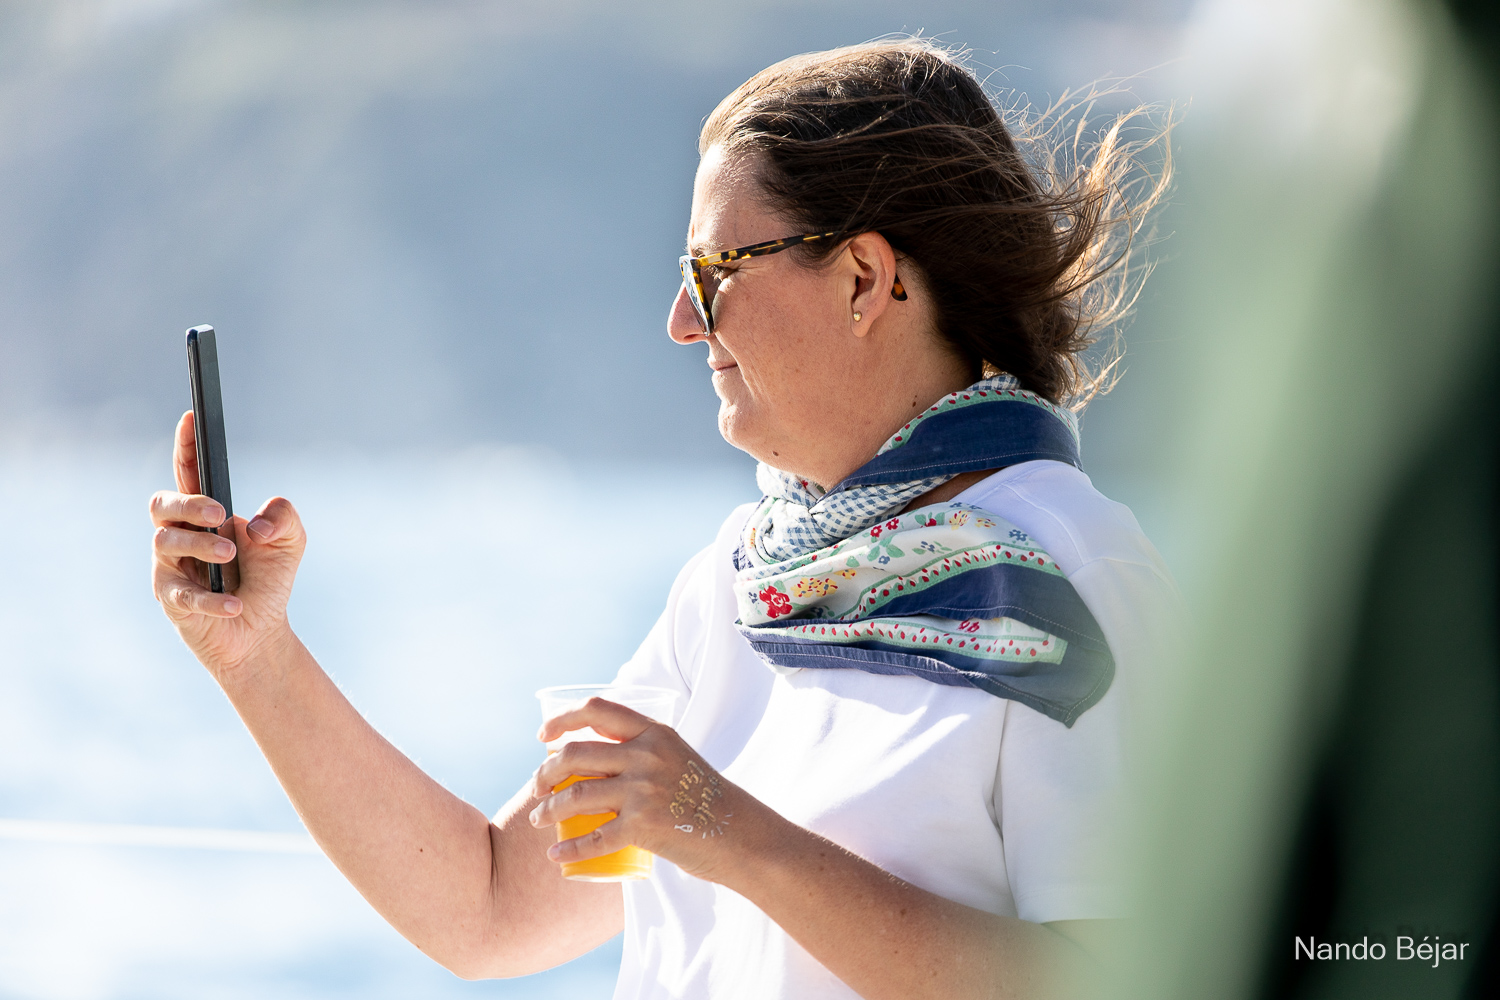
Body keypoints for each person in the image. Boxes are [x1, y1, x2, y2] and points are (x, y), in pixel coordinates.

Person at [149, 39, 1175, 1000]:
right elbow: (490, 907)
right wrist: (257, 655)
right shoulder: (741, 581)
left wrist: (721, 826)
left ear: (864, 279)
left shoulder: (1074, 581)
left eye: (713, 272)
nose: (683, 321)